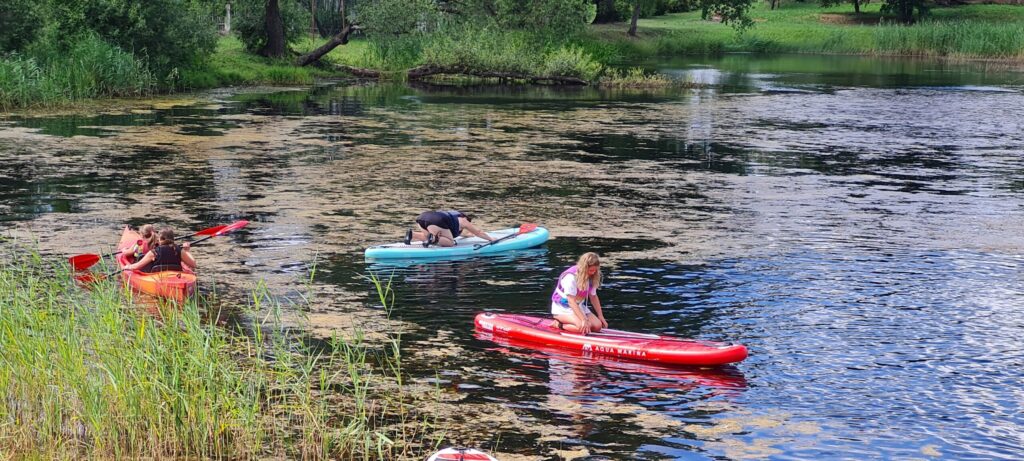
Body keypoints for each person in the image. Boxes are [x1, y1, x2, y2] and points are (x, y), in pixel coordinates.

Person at [551, 252, 607, 335]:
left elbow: (593, 296)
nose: (593, 273)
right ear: (584, 268)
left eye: (595, 270)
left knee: (597, 326)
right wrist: (583, 320)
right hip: (563, 308)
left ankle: (579, 321)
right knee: (582, 327)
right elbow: (571, 301)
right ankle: (559, 324)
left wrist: (600, 315)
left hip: (579, 306)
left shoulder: (593, 276)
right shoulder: (570, 277)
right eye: (591, 270)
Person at [405, 210, 495, 247]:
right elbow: (478, 232)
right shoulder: (463, 220)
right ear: (465, 217)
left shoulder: (452, 218)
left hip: (422, 218)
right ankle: (433, 238)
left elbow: (458, 232)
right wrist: (490, 239)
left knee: (428, 236)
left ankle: (412, 234)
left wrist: (467, 235)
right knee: (451, 242)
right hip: (436, 221)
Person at [123, 228, 196, 273]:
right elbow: (193, 264)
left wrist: (127, 266)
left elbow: (137, 266)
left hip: (158, 279)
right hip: (174, 276)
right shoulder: (179, 250)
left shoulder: (154, 252)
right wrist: (187, 251)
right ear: (173, 239)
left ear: (160, 239)